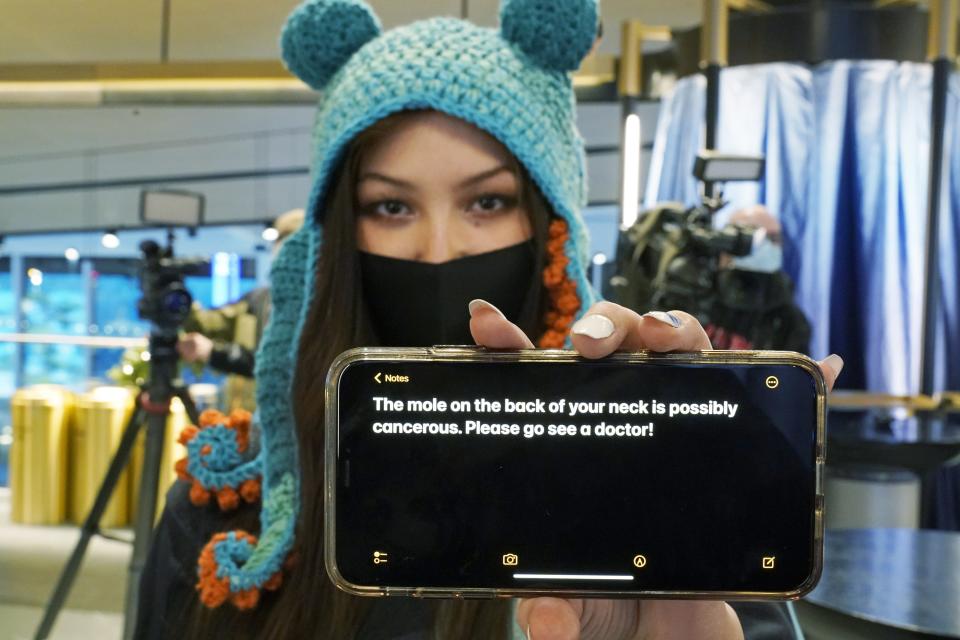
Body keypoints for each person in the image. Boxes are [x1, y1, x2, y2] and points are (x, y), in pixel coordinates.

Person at [135, 1, 844, 638]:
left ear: (552, 227)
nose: (440, 252)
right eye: (391, 207)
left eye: (487, 203)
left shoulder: (667, 488)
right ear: (333, 236)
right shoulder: (226, 513)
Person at [176, 209, 305, 411]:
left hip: (289, 415)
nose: (283, 252)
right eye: (281, 241)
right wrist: (178, 301)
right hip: (244, 414)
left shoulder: (317, 308)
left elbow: (279, 365)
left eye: (294, 242)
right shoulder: (258, 299)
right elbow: (207, 323)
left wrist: (213, 352)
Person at [707, 205, 812, 351]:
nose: (770, 244)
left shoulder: (789, 319)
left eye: (775, 237)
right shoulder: (698, 293)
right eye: (760, 237)